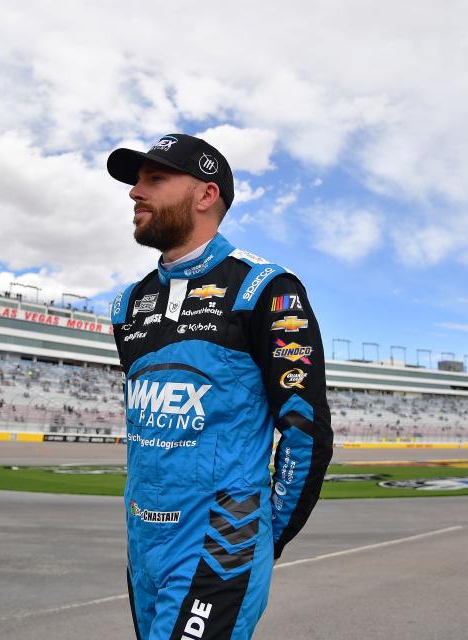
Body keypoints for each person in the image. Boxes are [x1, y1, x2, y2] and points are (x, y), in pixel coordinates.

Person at [107, 133, 333, 639]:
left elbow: (305, 430)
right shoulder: (127, 305)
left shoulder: (266, 289)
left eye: (155, 179)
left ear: (206, 195)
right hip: (142, 541)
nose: (134, 193)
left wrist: (261, 536)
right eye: (136, 181)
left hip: (220, 542)